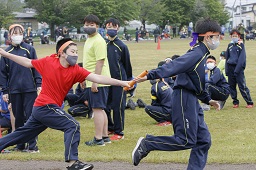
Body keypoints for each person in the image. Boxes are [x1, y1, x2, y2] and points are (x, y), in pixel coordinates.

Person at [0, 38, 129, 169]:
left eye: (77, 52)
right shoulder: (49, 62)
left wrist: (121, 82)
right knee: (72, 125)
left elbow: (97, 77)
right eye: (72, 51)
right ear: (62, 53)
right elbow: (28, 62)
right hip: (45, 106)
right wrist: (5, 54)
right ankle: (73, 163)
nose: (75, 54)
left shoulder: (76, 69)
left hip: (43, 109)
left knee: (23, 134)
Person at [131, 18, 221, 170]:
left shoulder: (202, 53)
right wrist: (148, 76)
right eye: (217, 36)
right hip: (183, 98)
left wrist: (208, 99)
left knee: (203, 140)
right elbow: (173, 66)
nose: (219, 40)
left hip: (192, 99)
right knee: (185, 140)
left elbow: (197, 81)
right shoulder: (196, 53)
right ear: (207, 37)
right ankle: (147, 144)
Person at [0, 24, 41, 152]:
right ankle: (20, 145)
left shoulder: (29, 49)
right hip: (14, 90)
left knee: (30, 117)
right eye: (14, 33)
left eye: (19, 33)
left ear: (23, 34)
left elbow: (36, 67)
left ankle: (33, 146)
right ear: (9, 35)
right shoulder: (6, 53)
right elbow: (3, 74)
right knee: (18, 118)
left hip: (30, 89)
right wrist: (5, 91)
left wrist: (39, 84)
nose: (17, 35)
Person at [83, 14, 111, 146]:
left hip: (97, 78)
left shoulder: (99, 41)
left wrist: (95, 81)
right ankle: (105, 136)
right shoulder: (89, 39)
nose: (89, 27)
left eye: (92, 25)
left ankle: (98, 138)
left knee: (97, 108)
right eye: (87, 24)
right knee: (101, 108)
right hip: (91, 77)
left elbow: (100, 62)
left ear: (97, 26)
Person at [104, 18, 133, 141]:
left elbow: (127, 65)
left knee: (118, 106)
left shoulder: (122, 46)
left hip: (120, 81)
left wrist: (129, 82)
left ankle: (119, 132)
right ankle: (109, 127)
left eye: (114, 26)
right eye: (109, 26)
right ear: (105, 28)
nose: (111, 28)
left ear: (118, 28)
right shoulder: (103, 44)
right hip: (105, 80)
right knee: (105, 105)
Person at [225, 29, 253, 108]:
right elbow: (227, 58)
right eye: (233, 36)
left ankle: (249, 102)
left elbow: (242, 59)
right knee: (232, 86)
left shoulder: (241, 45)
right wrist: (227, 70)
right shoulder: (229, 45)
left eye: (236, 36)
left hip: (238, 68)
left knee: (242, 86)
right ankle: (235, 102)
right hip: (230, 68)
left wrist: (237, 70)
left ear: (239, 36)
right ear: (231, 37)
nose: (234, 37)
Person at [144, 61, 173, 126]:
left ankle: (164, 121)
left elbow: (154, 103)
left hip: (169, 113)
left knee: (148, 108)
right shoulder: (165, 83)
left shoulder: (155, 87)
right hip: (176, 111)